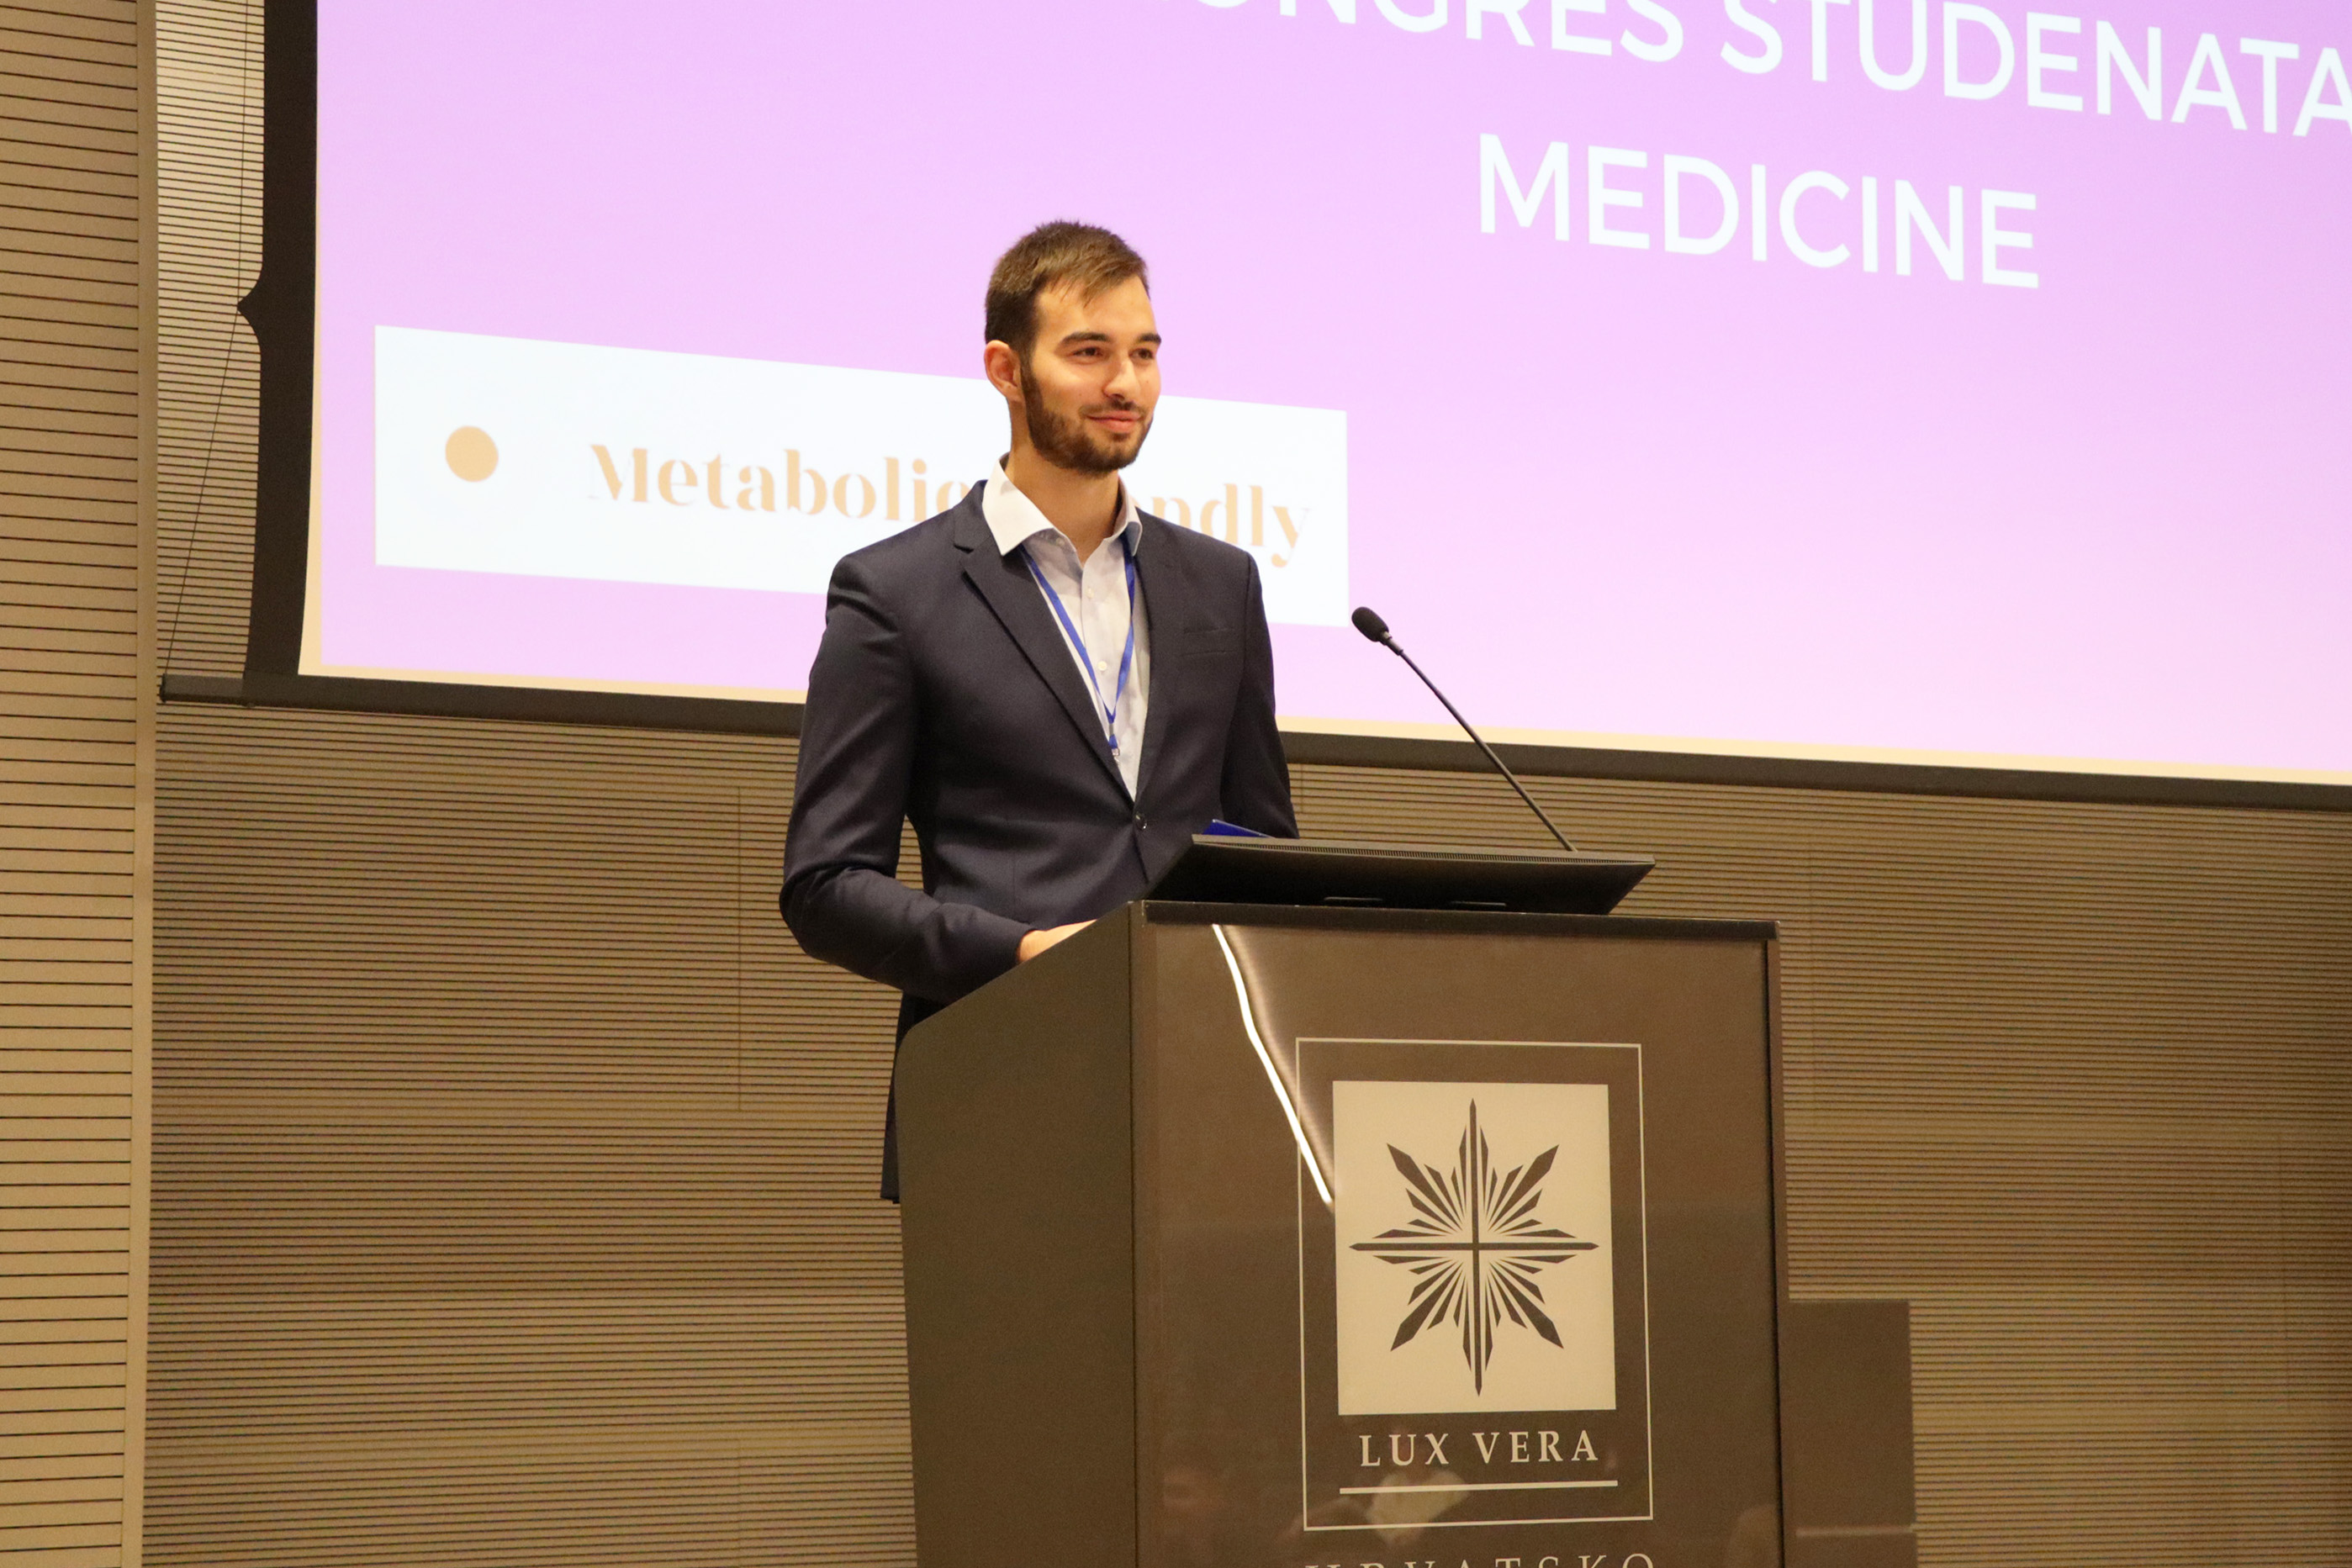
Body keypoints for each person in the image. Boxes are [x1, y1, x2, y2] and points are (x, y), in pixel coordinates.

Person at [780, 221, 1298, 1199]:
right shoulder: (897, 592)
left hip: (1215, 1092)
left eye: (1144, 353)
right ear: (1005, 370)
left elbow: (1264, 839)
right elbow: (825, 884)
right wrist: (1021, 950)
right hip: (1002, 1086)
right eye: (1089, 352)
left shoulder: (1219, 583)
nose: (1125, 383)